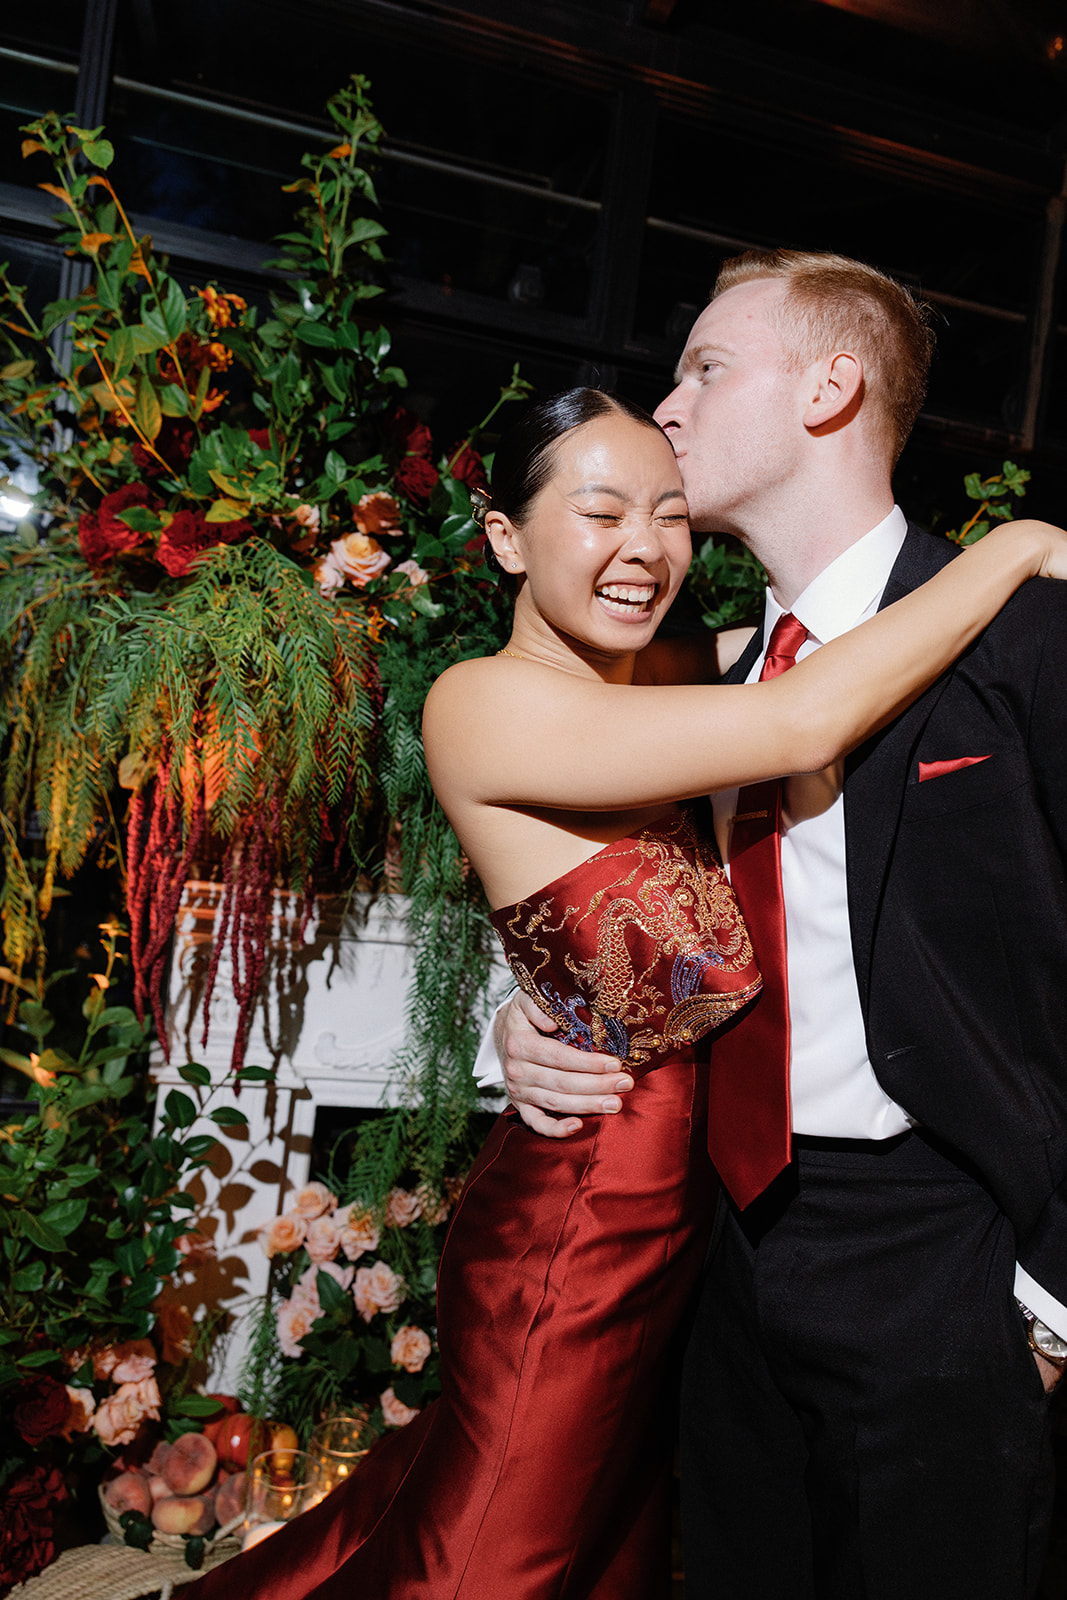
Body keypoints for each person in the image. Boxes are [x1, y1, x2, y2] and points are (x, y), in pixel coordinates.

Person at [184, 385, 1067, 1600]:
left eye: (667, 515)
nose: (643, 549)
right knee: (488, 1559)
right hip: (580, 1207)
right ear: (503, 537)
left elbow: (802, 646)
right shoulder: (477, 697)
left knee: (594, 1555)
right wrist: (1016, 548)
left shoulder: (645, 682)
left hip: (687, 1219)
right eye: (599, 512)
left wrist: (524, 1014)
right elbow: (803, 714)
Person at [489, 253, 1067, 1600]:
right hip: (725, 1247)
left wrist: (1045, 1299)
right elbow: (666, 934)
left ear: (827, 385)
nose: (667, 407)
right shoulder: (711, 683)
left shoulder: (1027, 637)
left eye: (705, 367)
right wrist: (541, 1024)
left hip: (946, 1251)